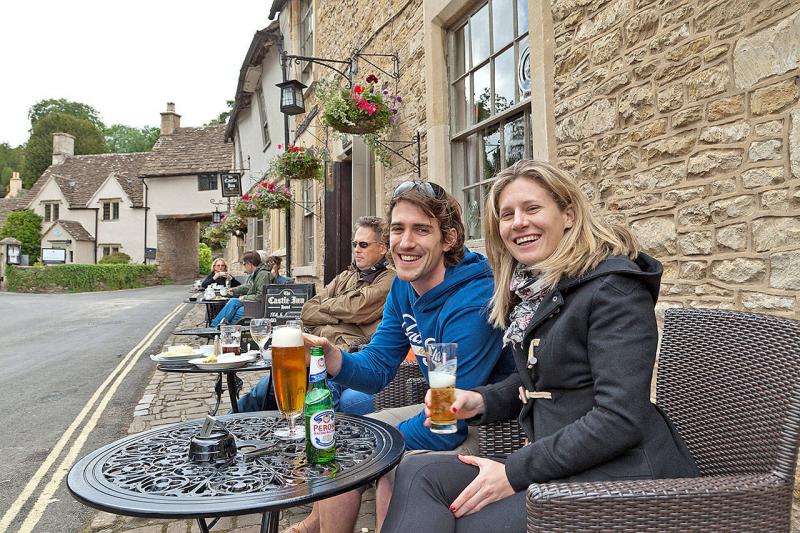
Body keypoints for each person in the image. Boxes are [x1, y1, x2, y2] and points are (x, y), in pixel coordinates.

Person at [381, 160, 700, 533]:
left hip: (622, 478)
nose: (518, 222)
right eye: (507, 214)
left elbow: (620, 420)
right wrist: (482, 401)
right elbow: (542, 385)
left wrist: (514, 473)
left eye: (532, 208)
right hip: (560, 461)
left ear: (568, 214)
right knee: (419, 472)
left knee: (463, 517)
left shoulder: (614, 290)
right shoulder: (538, 290)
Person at [286, 181, 514, 533]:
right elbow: (378, 367)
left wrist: (374, 441)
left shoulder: (472, 299)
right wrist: (332, 357)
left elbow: (446, 426)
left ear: (448, 239)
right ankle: (319, 524)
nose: (405, 243)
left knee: (378, 456)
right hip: (440, 406)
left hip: (490, 424)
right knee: (333, 435)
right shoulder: (405, 286)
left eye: (421, 230)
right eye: (397, 229)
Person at [237, 216, 395, 415]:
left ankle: (317, 442)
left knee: (320, 402)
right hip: (313, 352)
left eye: (363, 244)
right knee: (262, 391)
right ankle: (223, 430)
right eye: (355, 244)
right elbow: (307, 309)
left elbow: (356, 308)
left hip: (346, 354)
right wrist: (342, 314)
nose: (356, 250)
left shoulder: (389, 280)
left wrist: (329, 307)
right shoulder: (346, 276)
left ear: (382, 248)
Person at [210, 251, 274, 327]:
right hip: (255, 304)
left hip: (261, 307)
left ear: (250, 264)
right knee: (233, 301)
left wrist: (244, 297)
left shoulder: (263, 275)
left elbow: (261, 296)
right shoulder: (259, 273)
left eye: (244, 264)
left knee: (237, 311)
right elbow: (250, 287)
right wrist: (234, 290)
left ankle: (218, 329)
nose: (244, 267)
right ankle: (218, 328)